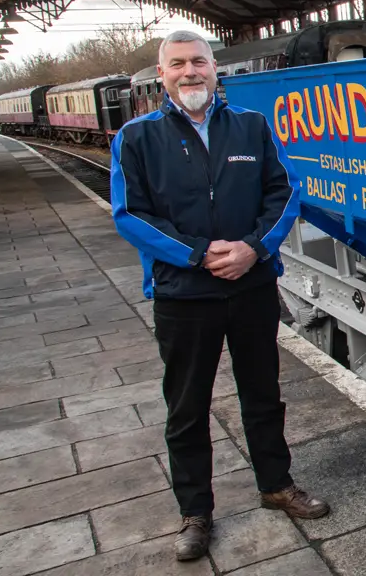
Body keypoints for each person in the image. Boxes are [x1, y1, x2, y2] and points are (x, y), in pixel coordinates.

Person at [110, 30, 329, 561]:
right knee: (186, 407)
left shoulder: (251, 127)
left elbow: (284, 192)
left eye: (200, 63)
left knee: (263, 393)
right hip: (184, 293)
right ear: (162, 74)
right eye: (179, 64)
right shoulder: (136, 137)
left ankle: (276, 486)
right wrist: (198, 253)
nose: (191, 72)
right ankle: (196, 513)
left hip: (251, 287)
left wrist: (254, 248)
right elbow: (130, 213)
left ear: (215, 70)